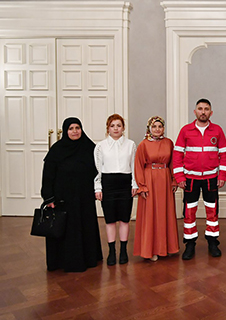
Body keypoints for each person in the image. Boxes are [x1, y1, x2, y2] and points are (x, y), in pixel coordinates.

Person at [40, 117, 102, 272]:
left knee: (84, 226)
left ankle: (87, 258)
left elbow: (98, 171)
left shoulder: (89, 147)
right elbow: (48, 175)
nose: (75, 131)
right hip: (62, 198)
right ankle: (63, 261)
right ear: (65, 131)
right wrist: (49, 197)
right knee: (65, 228)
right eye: (71, 128)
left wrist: (98, 189)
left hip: (84, 197)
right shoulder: (57, 150)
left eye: (77, 128)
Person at [173, 98, 226, 260]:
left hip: (211, 178)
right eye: (200, 109)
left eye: (206, 109)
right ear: (195, 112)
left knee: (212, 211)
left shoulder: (217, 130)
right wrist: (179, 177)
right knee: (189, 212)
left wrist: (222, 175)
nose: (203, 112)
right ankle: (190, 244)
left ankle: (212, 242)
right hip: (190, 179)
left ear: (211, 112)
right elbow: (177, 155)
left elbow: (224, 155)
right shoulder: (185, 130)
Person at [133, 116, 180, 261]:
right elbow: (138, 166)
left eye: (160, 126)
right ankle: (151, 249)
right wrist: (142, 186)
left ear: (163, 128)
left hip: (165, 180)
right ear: (149, 128)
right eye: (154, 126)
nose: (157, 129)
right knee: (151, 214)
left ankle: (165, 247)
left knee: (165, 212)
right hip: (150, 180)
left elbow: (173, 163)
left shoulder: (169, 143)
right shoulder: (143, 144)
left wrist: (174, 180)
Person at [94, 114, 138, 266]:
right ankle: (112, 251)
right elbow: (97, 169)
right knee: (110, 220)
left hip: (125, 183)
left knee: (125, 219)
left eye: (119, 125)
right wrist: (98, 187)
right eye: (112, 126)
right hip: (108, 184)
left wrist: (134, 184)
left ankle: (123, 251)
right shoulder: (100, 146)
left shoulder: (131, 144)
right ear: (108, 128)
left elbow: (134, 166)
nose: (116, 129)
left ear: (123, 128)